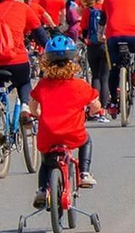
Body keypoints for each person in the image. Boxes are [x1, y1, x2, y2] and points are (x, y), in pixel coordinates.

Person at [27, 35, 103, 208]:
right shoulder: (80, 85)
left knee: (46, 162)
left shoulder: (43, 85)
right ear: (73, 62)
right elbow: (95, 105)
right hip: (72, 133)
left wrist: (38, 114)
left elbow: (33, 106)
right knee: (86, 140)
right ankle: (84, 172)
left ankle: (41, 189)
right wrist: (93, 111)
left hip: (48, 133)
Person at [80, 0, 112, 116]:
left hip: (92, 45)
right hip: (105, 44)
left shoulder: (89, 10)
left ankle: (95, 107)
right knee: (105, 77)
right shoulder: (107, 8)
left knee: (96, 77)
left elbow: (83, 29)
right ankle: (104, 108)